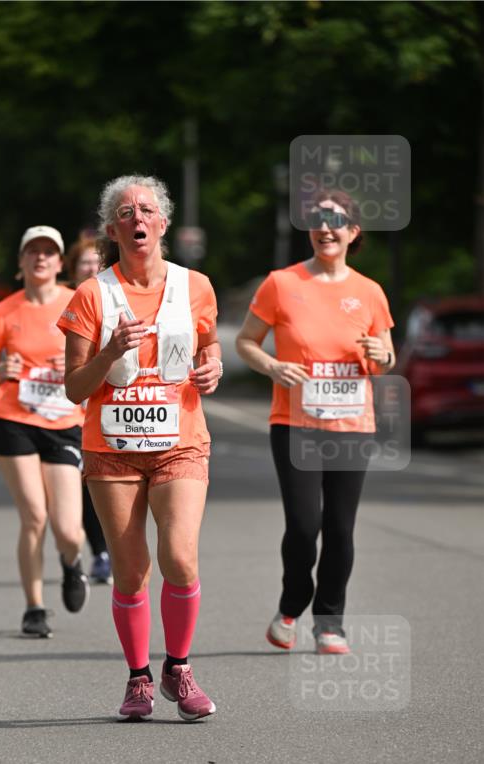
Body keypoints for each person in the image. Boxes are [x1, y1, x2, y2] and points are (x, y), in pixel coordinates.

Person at [60, 175, 223, 722]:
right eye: (125, 212)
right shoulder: (91, 294)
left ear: (163, 223)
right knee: (130, 573)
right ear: (113, 230)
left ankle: (179, 666)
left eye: (146, 210)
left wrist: (213, 367)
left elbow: (210, 346)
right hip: (113, 449)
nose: (137, 219)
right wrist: (108, 353)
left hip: (180, 442)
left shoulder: (195, 285)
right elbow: (75, 388)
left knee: (179, 557)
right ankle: (138, 679)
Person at [235, 190, 395, 654]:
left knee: (341, 528)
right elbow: (246, 341)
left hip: (352, 426)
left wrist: (382, 356)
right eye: (318, 219)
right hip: (295, 423)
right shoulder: (281, 284)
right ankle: (290, 605)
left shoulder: (369, 292)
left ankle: (330, 622)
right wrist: (272, 367)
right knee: (305, 526)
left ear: (353, 231)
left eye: (336, 220)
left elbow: (385, 356)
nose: (326, 228)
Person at [0, 226, 89, 639]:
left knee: (67, 529)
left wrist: (75, 368)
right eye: (33, 252)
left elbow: (99, 360)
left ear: (61, 263)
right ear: (21, 262)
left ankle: (71, 561)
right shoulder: (3, 312)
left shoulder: (77, 304)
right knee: (34, 516)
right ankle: (34, 607)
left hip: (63, 422)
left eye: (49, 252)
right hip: (14, 419)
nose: (40, 258)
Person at [64, 235, 112, 585]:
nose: (91, 268)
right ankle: (82, 551)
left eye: (97, 262)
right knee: (75, 485)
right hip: (61, 407)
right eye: (85, 263)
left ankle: (102, 552)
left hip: (101, 407)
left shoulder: (114, 298)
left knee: (93, 482)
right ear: (73, 268)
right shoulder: (65, 302)